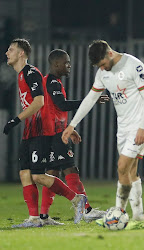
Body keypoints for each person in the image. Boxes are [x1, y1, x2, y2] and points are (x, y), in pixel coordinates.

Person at [62, 40, 144, 230]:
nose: (102, 68)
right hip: (123, 127)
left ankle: (115, 215)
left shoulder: (133, 65)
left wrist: (141, 126)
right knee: (130, 171)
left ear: (110, 54)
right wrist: (72, 124)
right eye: (99, 67)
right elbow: (91, 98)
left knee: (122, 166)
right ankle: (139, 218)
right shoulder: (102, 73)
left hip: (141, 125)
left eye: (103, 64)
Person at [3, 38, 86, 228]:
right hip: (30, 130)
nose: (7, 53)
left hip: (40, 130)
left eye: (11, 49)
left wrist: (15, 120)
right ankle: (34, 218)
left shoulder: (31, 73)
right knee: (25, 173)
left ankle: (76, 199)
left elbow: (40, 102)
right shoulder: (21, 75)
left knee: (37, 175)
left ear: (21, 53)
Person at [39, 49, 109, 225]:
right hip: (55, 135)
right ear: (56, 64)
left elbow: (52, 110)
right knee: (70, 170)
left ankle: (43, 216)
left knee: (52, 174)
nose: (69, 65)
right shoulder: (53, 83)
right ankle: (87, 211)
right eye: (66, 62)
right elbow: (61, 105)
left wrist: (68, 128)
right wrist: (89, 100)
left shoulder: (51, 82)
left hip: (51, 133)